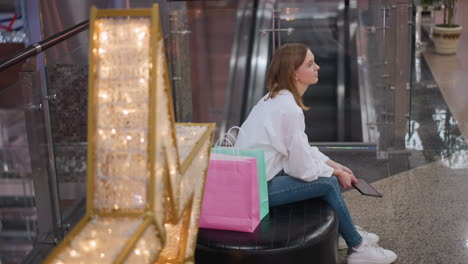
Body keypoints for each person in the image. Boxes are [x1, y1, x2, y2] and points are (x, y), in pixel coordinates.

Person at [235, 43, 397, 264]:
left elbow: (301, 148)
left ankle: (344, 231)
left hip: (250, 183)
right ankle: (358, 249)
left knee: (327, 176)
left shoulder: (273, 98)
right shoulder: (288, 109)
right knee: (327, 183)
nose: (317, 67)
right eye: (310, 64)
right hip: (256, 193)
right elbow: (301, 169)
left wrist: (334, 164)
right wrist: (334, 173)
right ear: (295, 73)